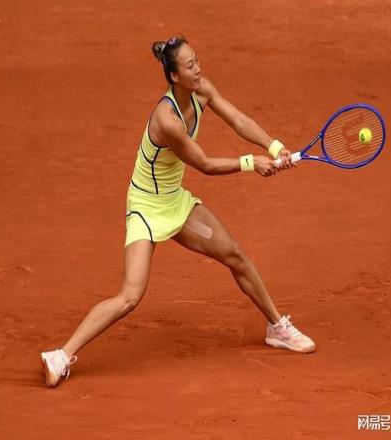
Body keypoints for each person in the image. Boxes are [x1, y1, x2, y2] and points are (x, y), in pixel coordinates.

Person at [41, 36, 315, 388]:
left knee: (234, 254)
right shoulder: (167, 119)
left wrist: (274, 147)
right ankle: (61, 355)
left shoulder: (202, 90)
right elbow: (204, 164)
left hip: (175, 203)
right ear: (173, 76)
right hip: (145, 208)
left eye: (197, 61)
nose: (197, 70)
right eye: (189, 66)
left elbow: (237, 119)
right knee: (130, 296)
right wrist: (251, 163)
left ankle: (277, 327)